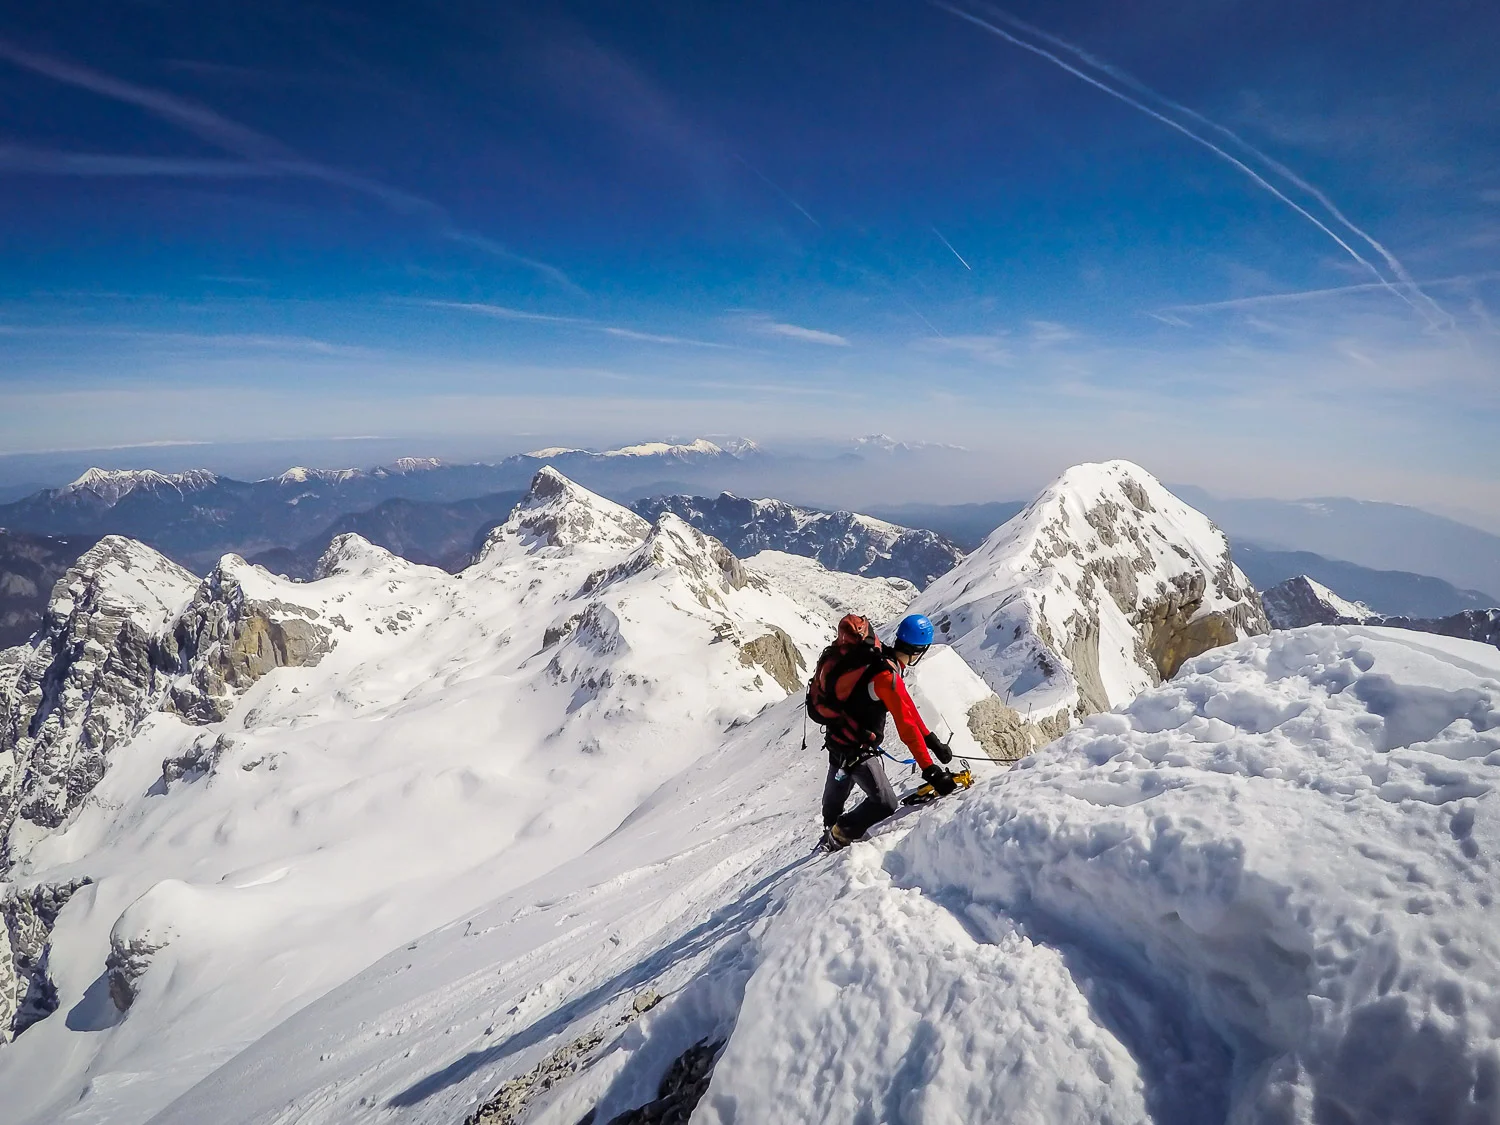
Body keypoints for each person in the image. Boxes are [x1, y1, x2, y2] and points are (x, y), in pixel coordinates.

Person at [810, 612, 958, 851]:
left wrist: (931, 740)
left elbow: (906, 705)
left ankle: (830, 828)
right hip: (856, 748)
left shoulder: (879, 658)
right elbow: (906, 726)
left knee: (839, 780)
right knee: (885, 803)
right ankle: (839, 835)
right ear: (918, 651)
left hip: (838, 737)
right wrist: (930, 770)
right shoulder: (885, 675)